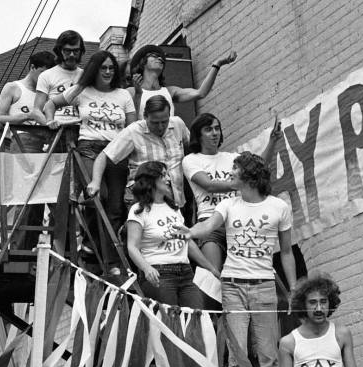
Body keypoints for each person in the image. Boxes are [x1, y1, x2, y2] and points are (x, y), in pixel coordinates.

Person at [174, 151, 297, 367]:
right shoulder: (229, 204)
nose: (230, 175)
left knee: (269, 357)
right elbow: (208, 226)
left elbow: (286, 251)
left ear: (250, 176)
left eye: (235, 171)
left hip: (265, 285)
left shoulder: (278, 207)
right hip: (232, 286)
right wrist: (191, 231)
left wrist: (293, 289)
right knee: (238, 357)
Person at [41, 50, 136, 273]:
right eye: (103, 68)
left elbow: (133, 127)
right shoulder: (81, 90)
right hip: (89, 148)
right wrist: (50, 121)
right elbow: (49, 105)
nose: (108, 72)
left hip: (117, 152)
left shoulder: (123, 95)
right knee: (98, 196)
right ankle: (99, 252)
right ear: (94, 69)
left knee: (115, 207)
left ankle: (102, 255)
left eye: (111, 68)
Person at [182, 112, 281, 271]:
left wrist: (273, 141)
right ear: (198, 135)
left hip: (238, 218)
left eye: (217, 128)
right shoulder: (191, 160)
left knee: (258, 269)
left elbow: (258, 169)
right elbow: (209, 185)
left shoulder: (232, 157)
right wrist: (241, 183)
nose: (214, 133)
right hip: (210, 220)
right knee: (213, 274)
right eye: (208, 129)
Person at [126, 161, 219, 308]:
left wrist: (211, 268)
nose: (168, 179)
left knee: (197, 318)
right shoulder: (138, 210)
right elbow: (132, 247)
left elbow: (187, 243)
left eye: (168, 175)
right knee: (169, 323)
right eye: (163, 175)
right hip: (159, 273)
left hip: (186, 272)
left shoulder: (173, 207)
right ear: (151, 179)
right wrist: (146, 268)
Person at [86, 95, 189, 208]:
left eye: (164, 122)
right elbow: (104, 156)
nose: (160, 127)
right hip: (144, 201)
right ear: (145, 116)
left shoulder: (178, 124)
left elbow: (192, 147)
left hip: (177, 199)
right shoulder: (133, 131)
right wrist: (95, 182)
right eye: (155, 123)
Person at [127, 44, 237, 119]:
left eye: (161, 58)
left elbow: (201, 92)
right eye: (154, 56)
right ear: (142, 62)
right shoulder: (130, 92)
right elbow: (130, 123)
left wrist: (217, 64)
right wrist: (137, 94)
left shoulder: (170, 91)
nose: (160, 58)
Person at [0, 51, 55, 152]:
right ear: (32, 67)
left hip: (46, 144)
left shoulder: (49, 94)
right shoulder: (13, 88)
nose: (45, 79)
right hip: (20, 142)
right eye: (42, 73)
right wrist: (28, 115)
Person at [33, 30, 85, 124]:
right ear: (59, 51)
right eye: (67, 51)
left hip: (80, 132)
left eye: (76, 51)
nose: (72, 55)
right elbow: (37, 111)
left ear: (81, 51)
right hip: (54, 131)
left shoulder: (86, 76)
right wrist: (49, 124)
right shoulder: (46, 75)